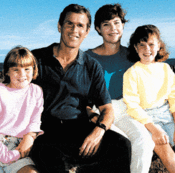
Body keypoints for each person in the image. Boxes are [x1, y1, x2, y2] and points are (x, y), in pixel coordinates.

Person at [30, 4, 131, 173]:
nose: (74, 30)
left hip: (78, 128)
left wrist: (98, 131)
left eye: (80, 25)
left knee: (121, 145)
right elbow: (9, 89)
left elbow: (107, 109)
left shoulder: (91, 66)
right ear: (59, 26)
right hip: (44, 131)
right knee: (51, 160)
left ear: (87, 31)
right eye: (69, 23)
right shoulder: (36, 59)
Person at [123, 24, 175, 173]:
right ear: (135, 47)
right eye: (142, 45)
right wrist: (154, 130)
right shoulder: (131, 73)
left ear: (158, 45)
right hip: (147, 120)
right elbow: (132, 105)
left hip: (168, 115)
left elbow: (174, 98)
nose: (147, 49)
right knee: (170, 158)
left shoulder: (165, 69)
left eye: (151, 44)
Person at [85, 4, 155, 172]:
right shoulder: (87, 57)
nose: (113, 28)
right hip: (99, 110)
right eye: (106, 24)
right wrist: (90, 113)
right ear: (98, 29)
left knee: (145, 141)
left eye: (116, 23)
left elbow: (155, 78)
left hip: (125, 109)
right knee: (121, 145)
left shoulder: (133, 55)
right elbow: (80, 93)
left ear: (123, 25)